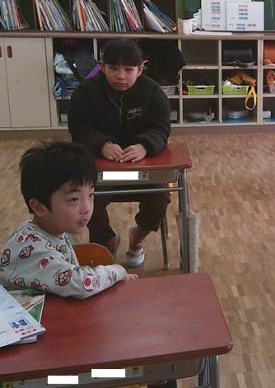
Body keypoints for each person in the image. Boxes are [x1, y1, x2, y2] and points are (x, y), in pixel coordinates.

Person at [67, 38, 171, 268]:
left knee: (160, 196)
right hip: (101, 173)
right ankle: (105, 240)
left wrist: (144, 146)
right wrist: (102, 145)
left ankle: (137, 238)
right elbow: (79, 128)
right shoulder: (86, 92)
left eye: (128, 70)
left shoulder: (152, 92)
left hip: (141, 172)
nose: (120, 76)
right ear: (102, 67)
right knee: (83, 198)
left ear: (140, 69)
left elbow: (161, 127)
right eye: (113, 68)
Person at [0, 141, 138, 299]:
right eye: (74, 199)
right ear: (39, 207)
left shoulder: (52, 231)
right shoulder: (31, 248)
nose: (87, 208)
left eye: (91, 195)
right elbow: (81, 284)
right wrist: (117, 271)